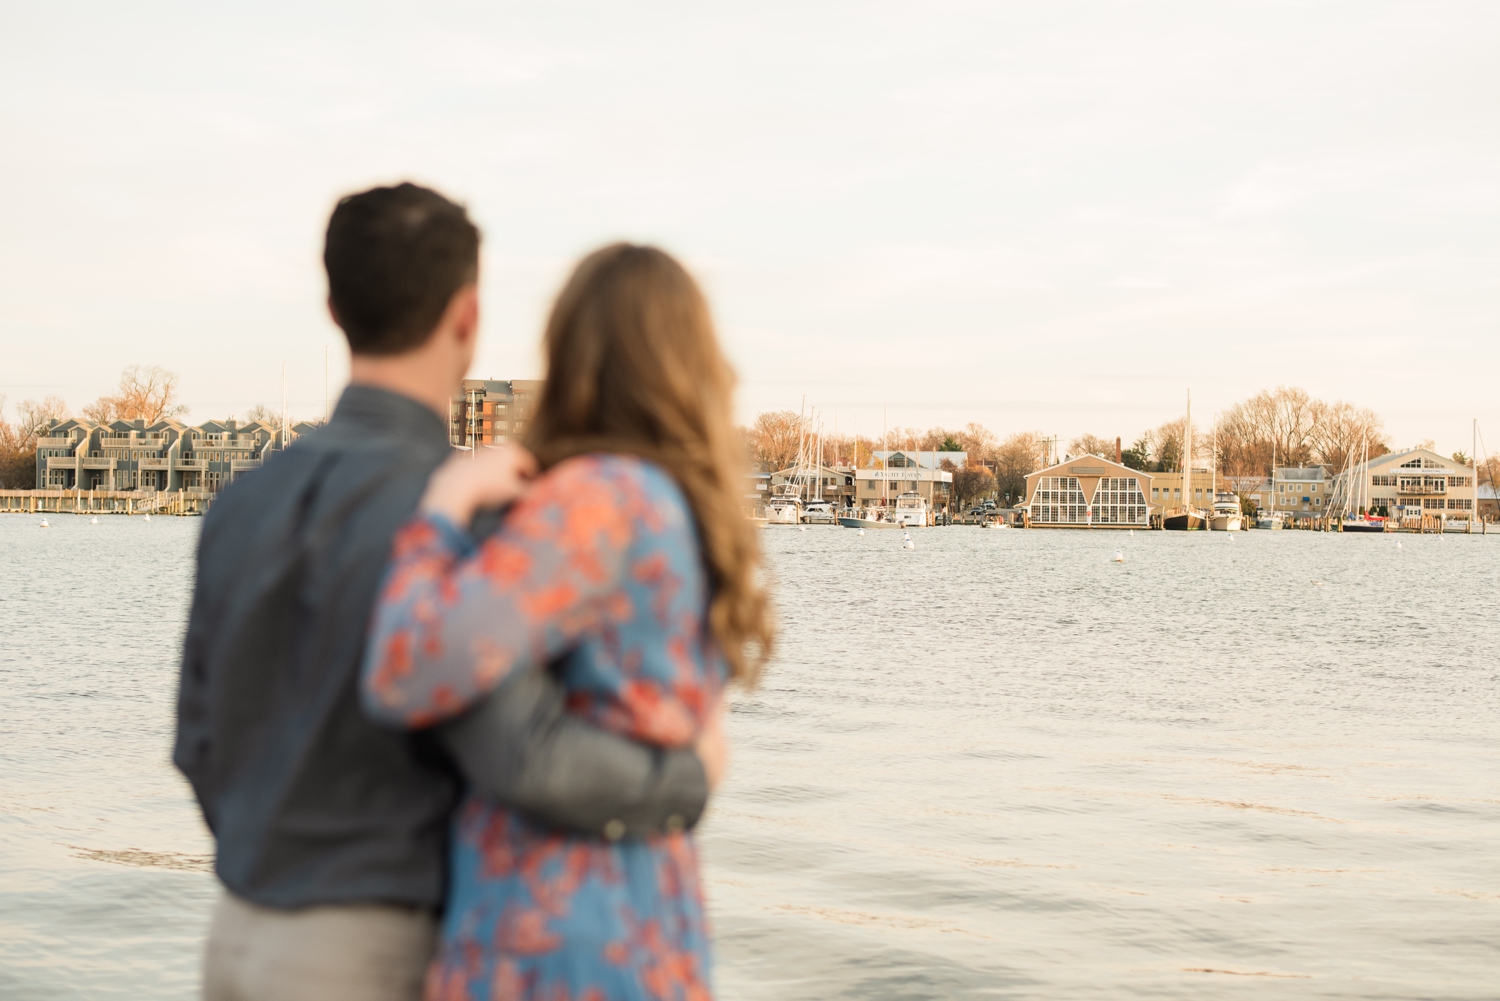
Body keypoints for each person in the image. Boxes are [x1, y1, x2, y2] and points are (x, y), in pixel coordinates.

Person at [174, 185, 718, 1001]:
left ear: (334, 307)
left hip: (239, 933)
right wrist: (685, 778)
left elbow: (197, 738)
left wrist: (271, 858)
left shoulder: (241, 499)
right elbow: (519, 752)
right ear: (467, 316)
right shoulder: (476, 509)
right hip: (386, 944)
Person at [360, 243, 775, 999]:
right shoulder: (685, 512)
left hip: (553, 926)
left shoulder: (597, 500)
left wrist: (444, 511)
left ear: (572, 352)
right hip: (656, 909)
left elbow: (406, 668)